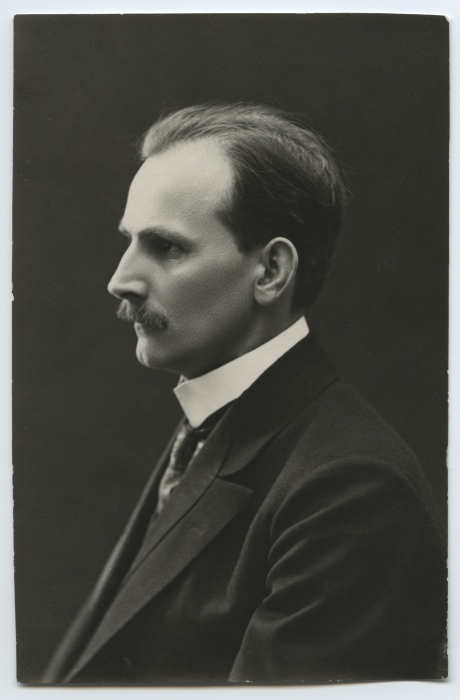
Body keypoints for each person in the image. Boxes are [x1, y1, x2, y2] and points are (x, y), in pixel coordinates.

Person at [42, 104, 447, 684]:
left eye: (167, 247)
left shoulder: (351, 491)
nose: (120, 280)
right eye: (129, 241)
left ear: (271, 271)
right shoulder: (213, 421)